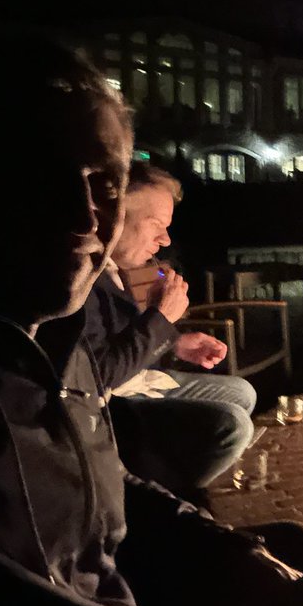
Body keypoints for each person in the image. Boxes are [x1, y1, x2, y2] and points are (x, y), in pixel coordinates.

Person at [0, 37, 303, 606]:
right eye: (46, 177)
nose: (82, 215)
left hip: (119, 594)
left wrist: (229, 553)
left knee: (294, 546)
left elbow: (109, 485)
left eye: (105, 185)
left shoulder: (59, 341)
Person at [82, 161, 255, 500]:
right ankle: (162, 502)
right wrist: (161, 321)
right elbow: (96, 375)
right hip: (110, 407)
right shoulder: (82, 279)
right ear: (110, 214)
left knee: (242, 392)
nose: (165, 239)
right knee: (231, 426)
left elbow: (122, 337)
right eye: (156, 225)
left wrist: (175, 343)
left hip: (137, 379)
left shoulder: (116, 268)